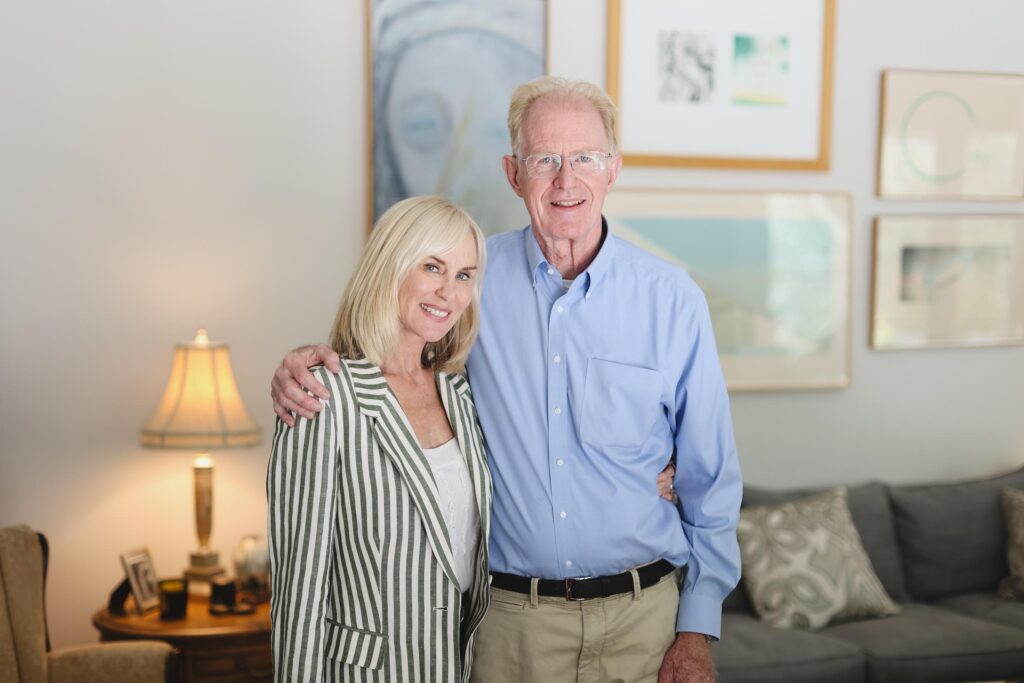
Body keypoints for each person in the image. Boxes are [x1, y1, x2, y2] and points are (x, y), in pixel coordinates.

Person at [272, 77, 742, 683]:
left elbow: (711, 480)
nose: (565, 180)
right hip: (511, 629)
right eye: (544, 159)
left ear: (613, 169)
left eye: (585, 159)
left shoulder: (673, 300)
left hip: (645, 621)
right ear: (513, 173)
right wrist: (301, 370)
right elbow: (387, 362)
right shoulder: (470, 284)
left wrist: (696, 631)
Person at [267, 196, 492, 682]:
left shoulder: (463, 391)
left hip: (457, 666)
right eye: (433, 266)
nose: (449, 292)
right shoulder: (323, 394)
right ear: (391, 265)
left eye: (464, 275)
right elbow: (298, 590)